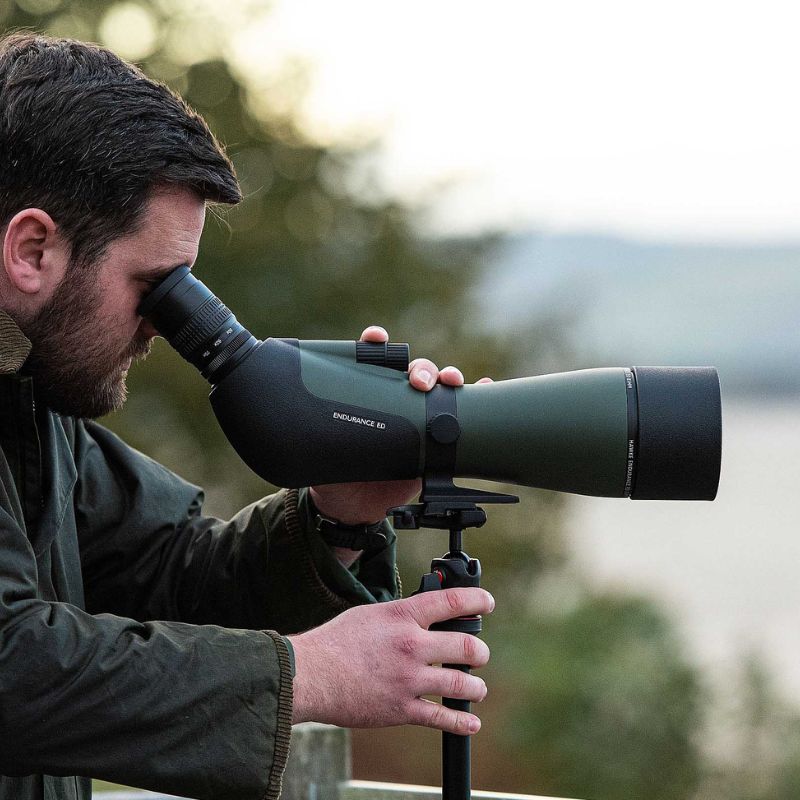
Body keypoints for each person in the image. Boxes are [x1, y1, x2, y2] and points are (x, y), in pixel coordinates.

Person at [0, 32, 494, 800]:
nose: (164, 324)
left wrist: (335, 514)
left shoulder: (28, 401)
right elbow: (12, 664)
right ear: (32, 250)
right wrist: (308, 674)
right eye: (155, 284)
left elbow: (169, 575)